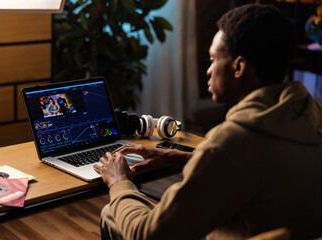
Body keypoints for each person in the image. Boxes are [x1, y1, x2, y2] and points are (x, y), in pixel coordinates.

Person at [93, 4, 322, 240]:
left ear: (239, 67)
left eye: (213, 59)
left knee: (112, 213)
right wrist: (178, 157)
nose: (208, 71)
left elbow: (147, 235)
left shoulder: (232, 140)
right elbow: (259, 165)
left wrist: (119, 182)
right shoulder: (308, 115)